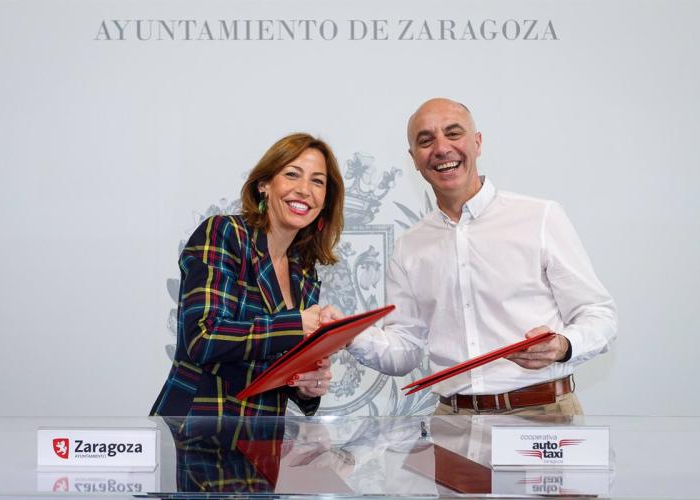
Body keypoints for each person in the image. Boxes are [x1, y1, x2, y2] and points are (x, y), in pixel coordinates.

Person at [339, 98, 618, 416]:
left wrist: (563, 345)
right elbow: (405, 349)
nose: (441, 148)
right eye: (426, 141)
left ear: (478, 142)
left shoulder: (540, 217)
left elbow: (599, 315)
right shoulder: (408, 247)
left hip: (542, 413)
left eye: (453, 133)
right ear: (414, 158)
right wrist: (347, 335)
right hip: (453, 420)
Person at [151, 132, 345, 417]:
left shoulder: (304, 270)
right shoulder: (224, 233)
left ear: (326, 200)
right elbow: (203, 337)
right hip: (197, 428)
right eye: (292, 174)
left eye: (317, 181)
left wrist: (305, 386)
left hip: (262, 436)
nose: (305, 190)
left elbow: (272, 364)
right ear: (264, 184)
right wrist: (297, 324)